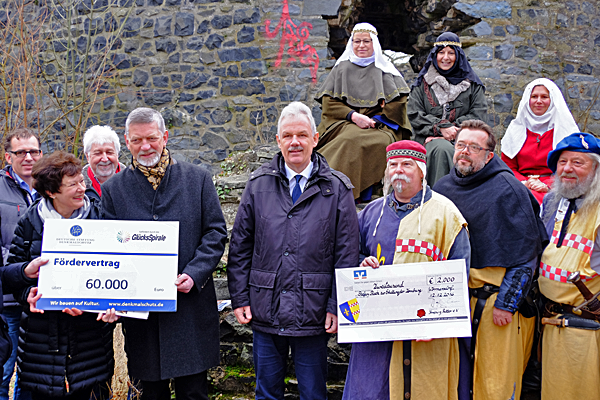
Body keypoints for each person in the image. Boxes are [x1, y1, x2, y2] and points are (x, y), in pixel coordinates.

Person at [227, 101, 359, 400]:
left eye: (302, 134)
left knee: (313, 394)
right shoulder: (258, 185)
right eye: (287, 135)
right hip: (265, 307)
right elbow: (240, 247)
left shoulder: (337, 188)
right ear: (278, 141)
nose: (294, 142)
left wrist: (337, 304)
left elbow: (347, 253)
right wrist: (240, 298)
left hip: (312, 313)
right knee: (267, 393)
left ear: (315, 138)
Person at [101, 107, 227, 400]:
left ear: (165, 137)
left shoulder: (198, 179)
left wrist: (194, 274)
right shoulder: (113, 190)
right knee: (150, 393)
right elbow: (110, 248)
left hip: (189, 308)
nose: (145, 147)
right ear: (127, 142)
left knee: (193, 392)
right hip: (142, 316)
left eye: (152, 139)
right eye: (137, 141)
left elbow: (215, 233)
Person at [342, 141, 471, 400]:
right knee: (371, 391)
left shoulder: (447, 215)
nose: (398, 170)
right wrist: (362, 264)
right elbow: (350, 258)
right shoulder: (370, 213)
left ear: (422, 170)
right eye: (393, 165)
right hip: (375, 336)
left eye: (406, 164)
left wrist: (435, 324)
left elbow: (459, 274)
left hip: (426, 336)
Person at [434, 120, 547, 400]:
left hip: (497, 305)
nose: (465, 152)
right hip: (457, 303)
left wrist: (507, 304)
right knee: (458, 381)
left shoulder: (509, 189)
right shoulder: (443, 188)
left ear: (489, 155)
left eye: (474, 147)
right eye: (461, 145)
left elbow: (526, 256)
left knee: (495, 384)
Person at [5, 151, 117, 400]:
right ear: (51, 192)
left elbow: (118, 273)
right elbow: (11, 275)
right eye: (73, 184)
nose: (82, 189)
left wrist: (112, 306)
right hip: (42, 345)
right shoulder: (30, 222)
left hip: (90, 343)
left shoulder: (102, 219)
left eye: (81, 181)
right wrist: (28, 291)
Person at [315, 22, 412, 201]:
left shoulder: (385, 70)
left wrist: (375, 118)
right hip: (345, 123)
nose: (361, 46)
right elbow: (329, 103)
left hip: (379, 126)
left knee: (375, 143)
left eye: (366, 41)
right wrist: (353, 116)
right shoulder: (341, 69)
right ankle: (329, 188)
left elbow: (398, 104)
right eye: (357, 41)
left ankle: (356, 192)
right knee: (348, 140)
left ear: (374, 43)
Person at [538, 132, 600, 400]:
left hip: (585, 324)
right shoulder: (552, 202)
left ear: (596, 169)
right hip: (550, 320)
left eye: (578, 162)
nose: (567, 169)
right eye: (563, 162)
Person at [408, 32, 487, 186]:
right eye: (441, 53)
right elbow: (414, 113)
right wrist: (440, 128)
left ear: (458, 56)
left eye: (451, 53)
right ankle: (439, 196)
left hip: (466, 138)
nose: (446, 57)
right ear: (434, 56)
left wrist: (453, 131)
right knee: (441, 148)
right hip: (428, 138)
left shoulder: (472, 84)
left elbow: (478, 114)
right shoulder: (422, 83)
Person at [0, 128, 42, 400]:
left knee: (30, 376)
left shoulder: (50, 188)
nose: (28, 157)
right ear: (8, 156)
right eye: (21, 152)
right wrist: (20, 268)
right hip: (7, 299)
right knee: (4, 369)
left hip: (40, 297)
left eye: (34, 151)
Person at [501, 78, 580, 204]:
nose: (538, 101)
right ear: (528, 99)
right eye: (534, 96)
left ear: (553, 100)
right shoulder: (515, 129)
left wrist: (547, 185)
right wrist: (524, 183)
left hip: (557, 188)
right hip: (519, 186)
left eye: (544, 97)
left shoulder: (566, 130)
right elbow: (507, 167)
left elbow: (571, 167)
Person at [82, 125, 125, 197]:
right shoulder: (77, 188)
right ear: (87, 157)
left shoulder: (133, 182)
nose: (105, 159)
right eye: (98, 153)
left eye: (109, 152)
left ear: (117, 154)